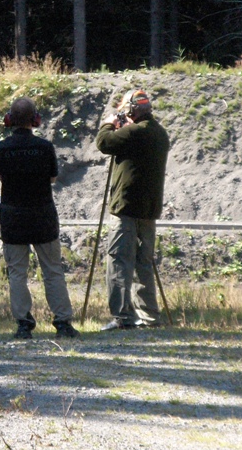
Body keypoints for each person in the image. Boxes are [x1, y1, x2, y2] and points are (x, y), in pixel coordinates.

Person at [0, 97, 80, 339]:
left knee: (17, 273)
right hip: (42, 216)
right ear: (35, 120)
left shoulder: (1, 148)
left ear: (9, 120)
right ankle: (62, 323)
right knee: (53, 271)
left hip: (13, 218)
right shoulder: (45, 147)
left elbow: (1, 177)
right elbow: (52, 179)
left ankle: (23, 324)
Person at [95, 89, 170, 331]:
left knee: (119, 260)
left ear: (131, 110)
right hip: (149, 209)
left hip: (126, 207)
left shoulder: (135, 131)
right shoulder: (159, 132)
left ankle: (123, 317)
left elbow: (104, 143)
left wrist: (109, 124)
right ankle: (149, 316)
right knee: (144, 263)